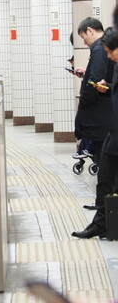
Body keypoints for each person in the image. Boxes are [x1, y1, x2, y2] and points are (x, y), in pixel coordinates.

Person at [72, 24, 118, 239]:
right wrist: (107, 88)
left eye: (110, 51)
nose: (108, 56)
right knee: (105, 179)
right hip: (113, 130)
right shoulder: (116, 64)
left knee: (108, 179)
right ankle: (101, 223)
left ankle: (104, 223)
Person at [71, 18, 112, 199]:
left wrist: (84, 104)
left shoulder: (99, 49)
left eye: (83, 36)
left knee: (104, 164)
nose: (84, 41)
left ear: (90, 30)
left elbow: (96, 80)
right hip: (103, 116)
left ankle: (104, 207)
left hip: (99, 117)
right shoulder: (102, 48)